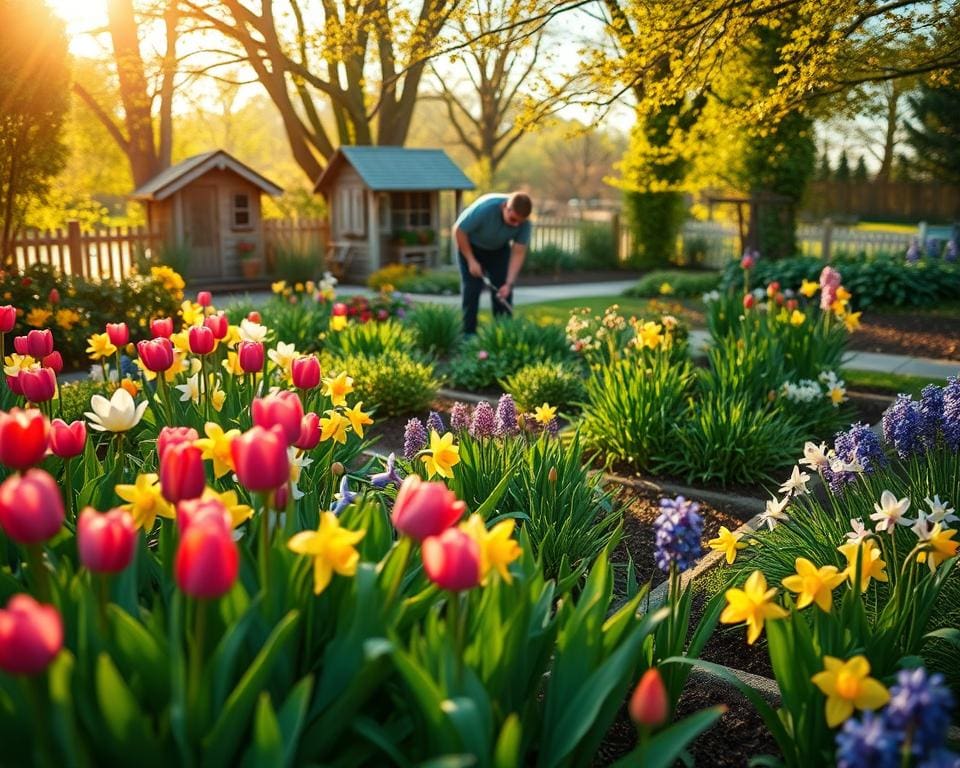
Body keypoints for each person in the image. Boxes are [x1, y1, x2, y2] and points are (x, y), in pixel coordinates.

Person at [452, 191, 533, 335]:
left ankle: (504, 333)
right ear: (505, 207)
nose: (516, 225)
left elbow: (518, 253)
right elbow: (459, 231)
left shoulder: (525, 224)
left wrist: (509, 283)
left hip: (499, 251)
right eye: (513, 219)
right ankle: (468, 334)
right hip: (471, 247)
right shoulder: (485, 209)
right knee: (472, 290)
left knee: (503, 292)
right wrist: (471, 260)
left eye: (520, 222)